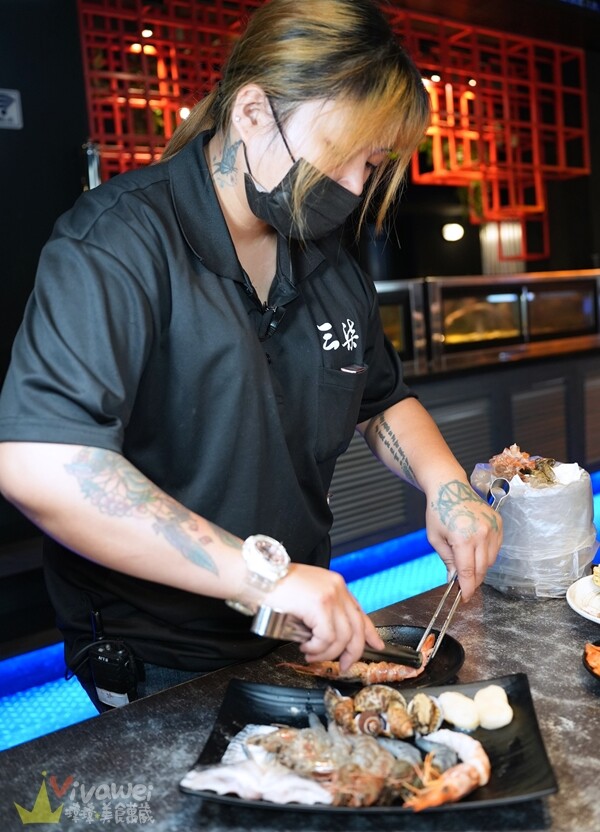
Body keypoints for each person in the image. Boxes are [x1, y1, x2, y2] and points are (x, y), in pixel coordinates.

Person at [0, 0, 501, 712]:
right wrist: (266, 577)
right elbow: (41, 464)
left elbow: (381, 397)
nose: (354, 187)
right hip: (161, 656)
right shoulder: (118, 241)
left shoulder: (324, 257)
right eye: (340, 153)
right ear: (253, 112)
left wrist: (448, 486)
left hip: (296, 635)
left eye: (371, 164)